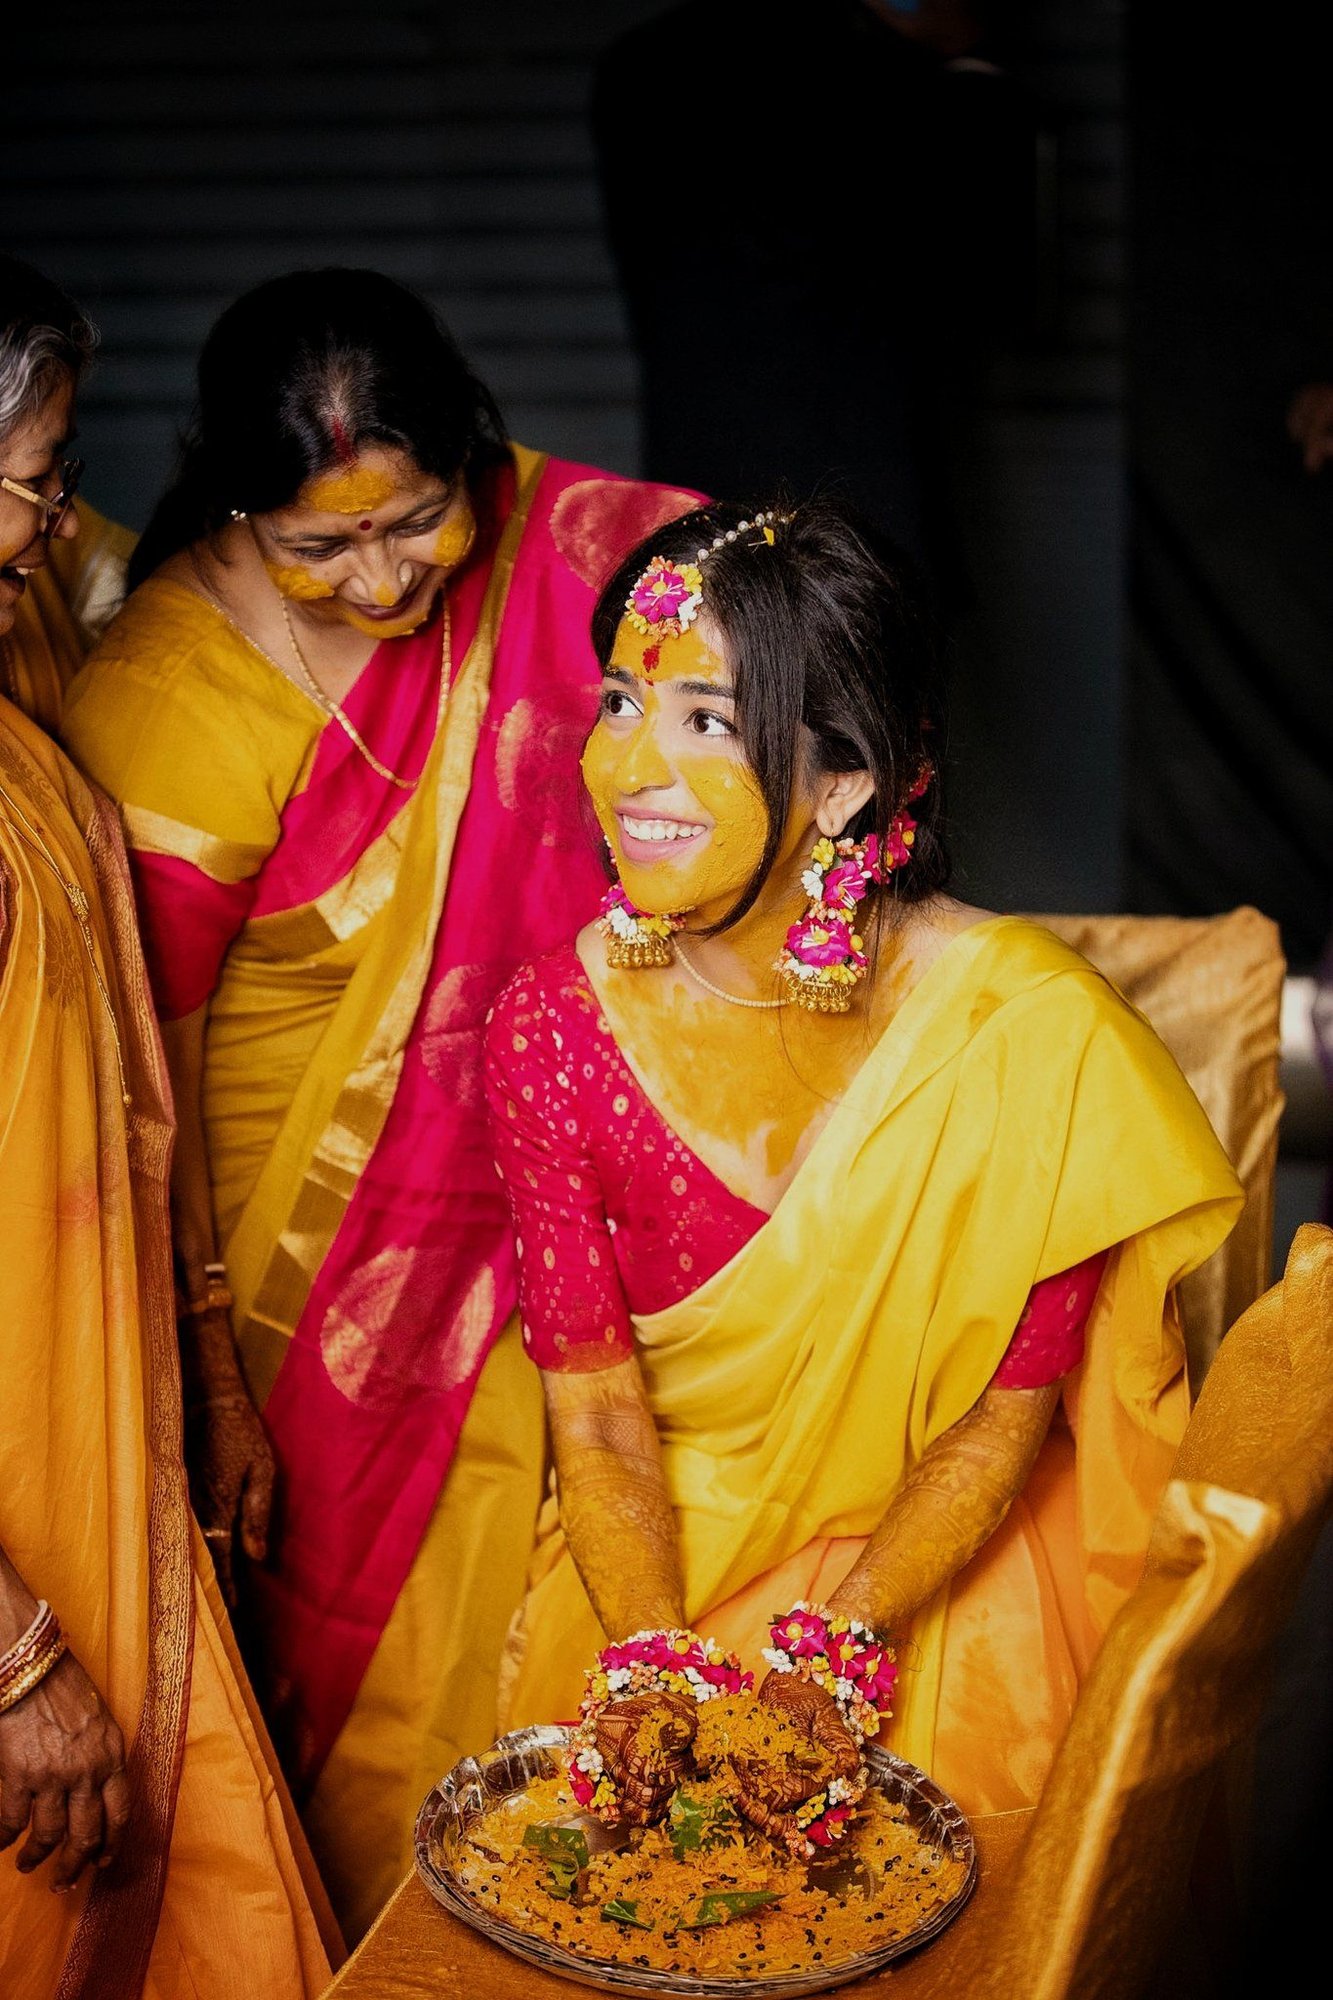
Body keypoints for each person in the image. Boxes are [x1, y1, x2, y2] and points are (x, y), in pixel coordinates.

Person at [62, 266, 699, 1939]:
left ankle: (514, 1933)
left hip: (549, 1202)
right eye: (314, 547)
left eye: (412, 522)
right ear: (232, 504)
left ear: (474, 464)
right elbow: (137, 1082)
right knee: (329, 1620)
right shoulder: (166, 697)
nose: (382, 577)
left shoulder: (562, 564)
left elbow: (758, 641)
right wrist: (201, 1346)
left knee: (540, 1585)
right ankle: (343, 1943)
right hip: (281, 1267)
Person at [484, 499, 1244, 1831]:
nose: (630, 769)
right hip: (655, 1546)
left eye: (705, 721)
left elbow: (1004, 1420)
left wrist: (826, 1655)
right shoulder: (551, 1028)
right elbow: (598, 1420)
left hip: (946, 1549)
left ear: (842, 783)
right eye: (618, 701)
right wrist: (656, 1661)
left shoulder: (1027, 1033)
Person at [0, 260, 336, 1997]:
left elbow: (122, 1092)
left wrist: (205, 1371)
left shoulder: (21, 718)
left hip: (101, 1490)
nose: (66, 523)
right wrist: (9, 1661)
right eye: (44, 476)